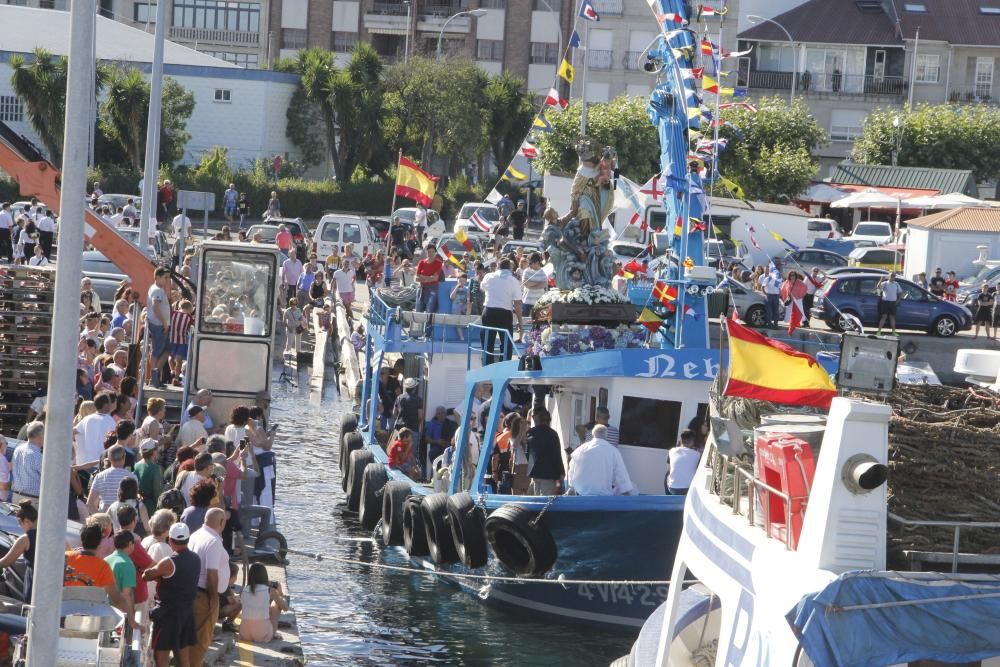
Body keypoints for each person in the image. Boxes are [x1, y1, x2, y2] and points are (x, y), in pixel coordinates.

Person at [142, 522, 199, 666]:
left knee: (161, 657)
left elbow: (146, 576)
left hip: (168, 614)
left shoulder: (167, 562)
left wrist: (155, 573)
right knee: (183, 657)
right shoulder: (196, 559)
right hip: (187, 612)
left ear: (170, 540)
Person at [66, 523, 132, 625]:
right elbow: (117, 599)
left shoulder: (65, 558)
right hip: (91, 622)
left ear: (82, 539)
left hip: (63, 616)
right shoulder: (103, 567)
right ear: (100, 543)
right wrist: (132, 620)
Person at [189, 508, 228, 665]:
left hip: (193, 592)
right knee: (201, 641)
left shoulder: (196, 535)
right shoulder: (214, 541)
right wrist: (214, 599)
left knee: (190, 639)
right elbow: (212, 573)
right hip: (205, 596)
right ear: (221, 522)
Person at [567, 425, 636, 496]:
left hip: (581, 495)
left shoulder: (579, 450)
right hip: (603, 498)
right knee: (632, 488)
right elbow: (621, 475)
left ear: (593, 434)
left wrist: (571, 487)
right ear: (606, 436)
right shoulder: (614, 451)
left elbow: (571, 472)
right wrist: (627, 493)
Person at [480, 259, 522, 365]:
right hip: (504, 314)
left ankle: (486, 367)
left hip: (488, 311)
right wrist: (520, 322)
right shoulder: (514, 281)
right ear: (510, 268)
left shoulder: (489, 276)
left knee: (487, 343)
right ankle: (503, 368)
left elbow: (483, 287)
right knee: (506, 344)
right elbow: (517, 304)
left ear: (498, 267)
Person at [239, 562, 289, 643]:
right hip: (262, 635)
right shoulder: (270, 590)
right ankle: (272, 632)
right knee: (276, 605)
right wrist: (280, 594)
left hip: (244, 633)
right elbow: (285, 608)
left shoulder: (243, 590)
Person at [0, 500, 37, 599]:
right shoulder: (53, 534)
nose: (20, 526)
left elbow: (6, 562)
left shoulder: (25, 539)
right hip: (53, 579)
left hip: (34, 580)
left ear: (26, 521)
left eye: (20, 523)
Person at [105, 530, 138, 629]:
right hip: (119, 618)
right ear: (130, 544)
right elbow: (126, 594)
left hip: (104, 612)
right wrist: (132, 620)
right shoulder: (127, 564)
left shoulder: (105, 560)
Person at [88, 446, 137, 513]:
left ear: (109, 459)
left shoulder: (100, 476)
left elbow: (90, 504)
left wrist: (101, 519)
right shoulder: (132, 477)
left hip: (106, 518)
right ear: (124, 457)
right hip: (126, 520)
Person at [525, 408, 563, 496]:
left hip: (535, 473)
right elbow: (556, 455)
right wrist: (561, 472)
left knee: (536, 500)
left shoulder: (530, 432)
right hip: (548, 474)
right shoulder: (553, 434)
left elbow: (527, 452)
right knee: (546, 503)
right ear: (548, 420)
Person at [147, 267, 173, 387]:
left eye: (168, 278)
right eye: (165, 278)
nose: (167, 280)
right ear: (157, 277)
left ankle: (155, 372)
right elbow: (155, 308)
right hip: (159, 325)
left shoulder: (158, 289)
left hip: (160, 324)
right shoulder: (157, 290)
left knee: (166, 350)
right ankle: (154, 377)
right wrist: (164, 323)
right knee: (157, 351)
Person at [12, 422, 43, 505]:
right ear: (41, 435)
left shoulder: (18, 449)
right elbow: (48, 478)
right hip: (32, 500)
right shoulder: (37, 455)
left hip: (16, 496)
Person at [415, 243, 444, 328]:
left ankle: (427, 334)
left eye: (432, 252)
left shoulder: (438, 263)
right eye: (429, 252)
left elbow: (435, 278)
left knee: (429, 311)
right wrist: (429, 278)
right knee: (418, 310)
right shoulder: (421, 262)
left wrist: (423, 277)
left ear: (435, 252)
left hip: (432, 289)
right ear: (426, 252)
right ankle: (416, 333)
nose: (430, 254)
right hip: (422, 288)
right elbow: (416, 278)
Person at [664, 429, 700, 495]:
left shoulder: (672, 451)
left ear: (681, 440)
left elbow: (668, 469)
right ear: (692, 441)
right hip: (689, 489)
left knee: (667, 475)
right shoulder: (697, 454)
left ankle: (668, 497)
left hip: (673, 488)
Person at [135, 438, 164, 518]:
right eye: (156, 449)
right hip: (151, 507)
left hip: (138, 505)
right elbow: (157, 493)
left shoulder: (136, 465)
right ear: (153, 452)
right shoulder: (156, 468)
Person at [168, 299, 194, 387]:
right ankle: (176, 378)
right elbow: (191, 328)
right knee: (179, 361)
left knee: (170, 357)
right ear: (190, 309)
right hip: (182, 341)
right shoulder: (189, 317)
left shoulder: (173, 314)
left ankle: (172, 370)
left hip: (171, 339)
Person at [758, 264, 782, 329]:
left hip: (776, 296)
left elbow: (780, 288)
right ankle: (769, 324)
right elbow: (762, 287)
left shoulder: (777, 279)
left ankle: (775, 324)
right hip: (769, 295)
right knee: (769, 311)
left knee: (776, 311)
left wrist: (779, 295)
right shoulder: (767, 279)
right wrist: (766, 294)